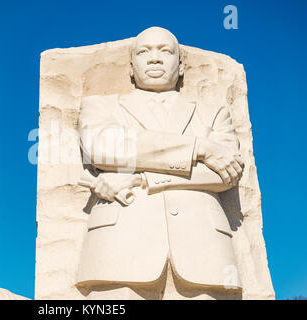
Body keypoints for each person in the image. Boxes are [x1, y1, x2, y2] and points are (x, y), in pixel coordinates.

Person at [76, 27, 244, 300]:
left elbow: (227, 173)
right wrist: (200, 147)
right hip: (117, 248)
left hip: (205, 251)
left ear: (181, 67)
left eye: (165, 51)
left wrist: (142, 178)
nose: (155, 59)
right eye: (144, 52)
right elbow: (103, 147)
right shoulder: (100, 105)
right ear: (131, 68)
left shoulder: (213, 112)